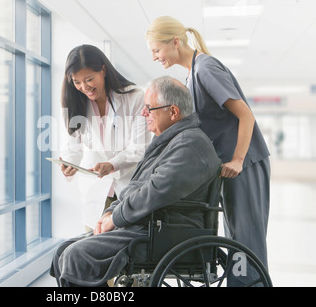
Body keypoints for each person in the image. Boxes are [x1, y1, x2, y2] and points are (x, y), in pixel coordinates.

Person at [50, 76, 222, 287]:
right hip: (148, 224)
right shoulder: (169, 142)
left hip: (164, 230)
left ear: (173, 112)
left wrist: (116, 218)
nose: (143, 113)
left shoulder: (190, 146)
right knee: (62, 251)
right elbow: (136, 186)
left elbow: (154, 192)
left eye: (149, 108)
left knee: (76, 255)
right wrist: (110, 212)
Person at [146, 16, 271, 286]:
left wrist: (237, 160)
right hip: (230, 166)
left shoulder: (205, 68)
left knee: (246, 239)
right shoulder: (192, 73)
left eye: (156, 50)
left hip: (245, 162)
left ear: (175, 42)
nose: (155, 57)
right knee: (237, 237)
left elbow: (245, 116)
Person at [59, 44, 151, 231]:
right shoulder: (76, 102)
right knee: (91, 247)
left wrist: (112, 164)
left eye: (89, 79)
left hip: (127, 187)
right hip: (95, 191)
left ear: (103, 70)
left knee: (122, 250)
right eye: (77, 82)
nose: (84, 87)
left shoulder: (134, 97)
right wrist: (68, 163)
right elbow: (73, 146)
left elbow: (140, 148)